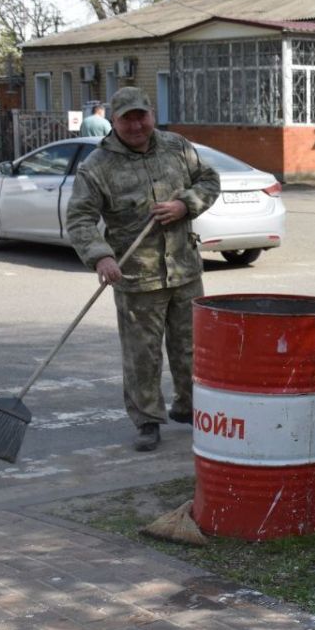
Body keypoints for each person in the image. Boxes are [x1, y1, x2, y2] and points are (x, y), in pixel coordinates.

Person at [66, 87, 220, 452]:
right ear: (113, 121)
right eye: (127, 118)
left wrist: (186, 205)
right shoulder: (97, 167)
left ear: (152, 114)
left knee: (193, 349)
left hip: (184, 270)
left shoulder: (177, 147)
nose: (136, 125)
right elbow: (79, 219)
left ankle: (190, 408)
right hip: (137, 275)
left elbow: (209, 180)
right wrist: (101, 256)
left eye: (141, 116)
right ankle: (148, 420)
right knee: (142, 356)